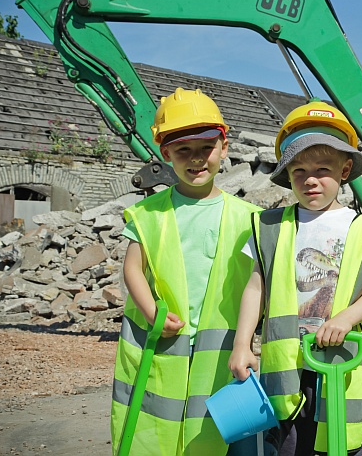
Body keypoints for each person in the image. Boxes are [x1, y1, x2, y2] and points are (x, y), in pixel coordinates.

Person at [229, 101, 362, 456]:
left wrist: (345, 319)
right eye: (299, 171)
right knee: (289, 445)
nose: (310, 179)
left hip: (341, 360)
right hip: (286, 364)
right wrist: (241, 343)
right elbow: (256, 287)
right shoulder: (270, 226)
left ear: (345, 170)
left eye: (322, 169)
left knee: (337, 442)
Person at [111, 88, 261, 455]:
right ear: (166, 155)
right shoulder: (148, 214)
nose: (196, 160)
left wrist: (247, 341)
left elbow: (259, 282)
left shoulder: (249, 217)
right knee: (151, 429)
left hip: (221, 349)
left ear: (223, 148)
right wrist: (151, 312)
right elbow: (133, 268)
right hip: (159, 345)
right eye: (183, 151)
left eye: (206, 149)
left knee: (215, 438)